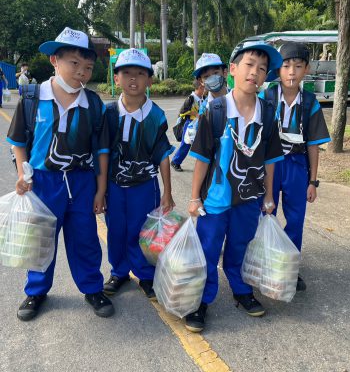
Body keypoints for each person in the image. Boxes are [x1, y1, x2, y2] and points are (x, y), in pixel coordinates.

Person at [7, 27, 114, 321]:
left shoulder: (93, 104)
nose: (81, 72)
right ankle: (36, 291)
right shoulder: (33, 97)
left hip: (81, 181)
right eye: (74, 63)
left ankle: (92, 288)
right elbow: (18, 141)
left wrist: (100, 190)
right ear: (55, 60)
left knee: (85, 239)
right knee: (41, 238)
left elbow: (101, 151)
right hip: (44, 182)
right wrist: (23, 174)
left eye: (88, 67)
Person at [185, 41, 284, 332]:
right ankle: (201, 300)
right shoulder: (215, 109)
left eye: (262, 68)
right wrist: (194, 197)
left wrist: (268, 195)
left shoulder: (268, 113)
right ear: (232, 69)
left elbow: (270, 159)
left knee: (241, 245)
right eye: (249, 65)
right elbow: (202, 158)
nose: (255, 72)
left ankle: (241, 290)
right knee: (208, 249)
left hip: (250, 198)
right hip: (216, 198)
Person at [103, 48, 175, 299]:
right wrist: (99, 190)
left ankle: (146, 274)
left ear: (150, 80)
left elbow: (163, 154)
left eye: (140, 73)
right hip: (114, 184)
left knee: (143, 230)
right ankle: (119, 272)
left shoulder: (156, 115)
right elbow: (101, 152)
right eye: (126, 73)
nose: (133, 79)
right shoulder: (108, 113)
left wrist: (168, 192)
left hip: (145, 185)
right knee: (116, 229)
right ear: (116, 79)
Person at [260, 42, 331, 291]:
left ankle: (289, 268)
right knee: (265, 213)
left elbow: (313, 145)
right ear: (278, 70)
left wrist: (313, 181)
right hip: (269, 165)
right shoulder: (266, 98)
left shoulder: (310, 102)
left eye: (298, 66)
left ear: (306, 69)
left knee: (296, 219)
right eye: (286, 66)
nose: (292, 72)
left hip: (296, 165)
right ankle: (263, 262)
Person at [171, 79, 205, 172]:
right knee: (186, 144)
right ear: (200, 87)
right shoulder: (191, 98)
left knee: (202, 145)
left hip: (199, 123)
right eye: (204, 87)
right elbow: (183, 112)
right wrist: (195, 114)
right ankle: (175, 162)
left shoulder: (203, 98)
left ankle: (204, 166)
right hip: (190, 124)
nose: (205, 89)